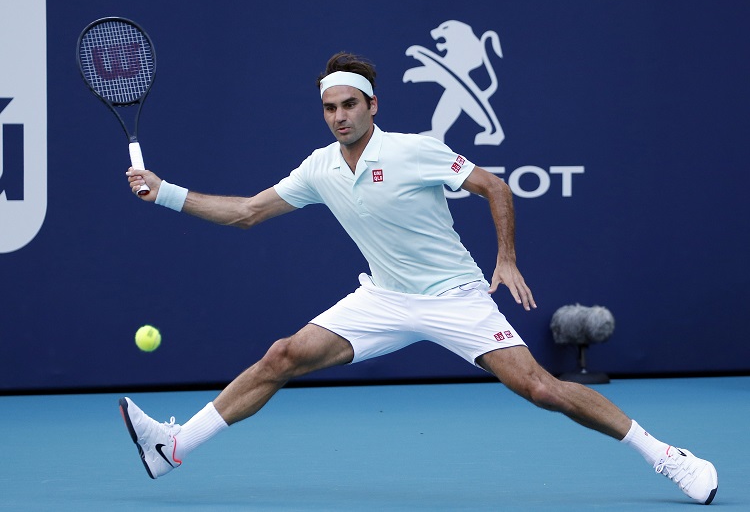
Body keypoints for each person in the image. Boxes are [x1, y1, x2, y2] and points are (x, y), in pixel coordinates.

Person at [120, 52, 717, 505]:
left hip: (455, 298)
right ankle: (174, 447)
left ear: (372, 106)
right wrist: (165, 192)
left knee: (541, 389)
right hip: (383, 298)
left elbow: (493, 186)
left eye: (349, 105)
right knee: (283, 355)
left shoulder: (415, 150)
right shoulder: (320, 167)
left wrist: (505, 258)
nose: (339, 117)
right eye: (330, 108)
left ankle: (666, 456)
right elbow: (248, 212)